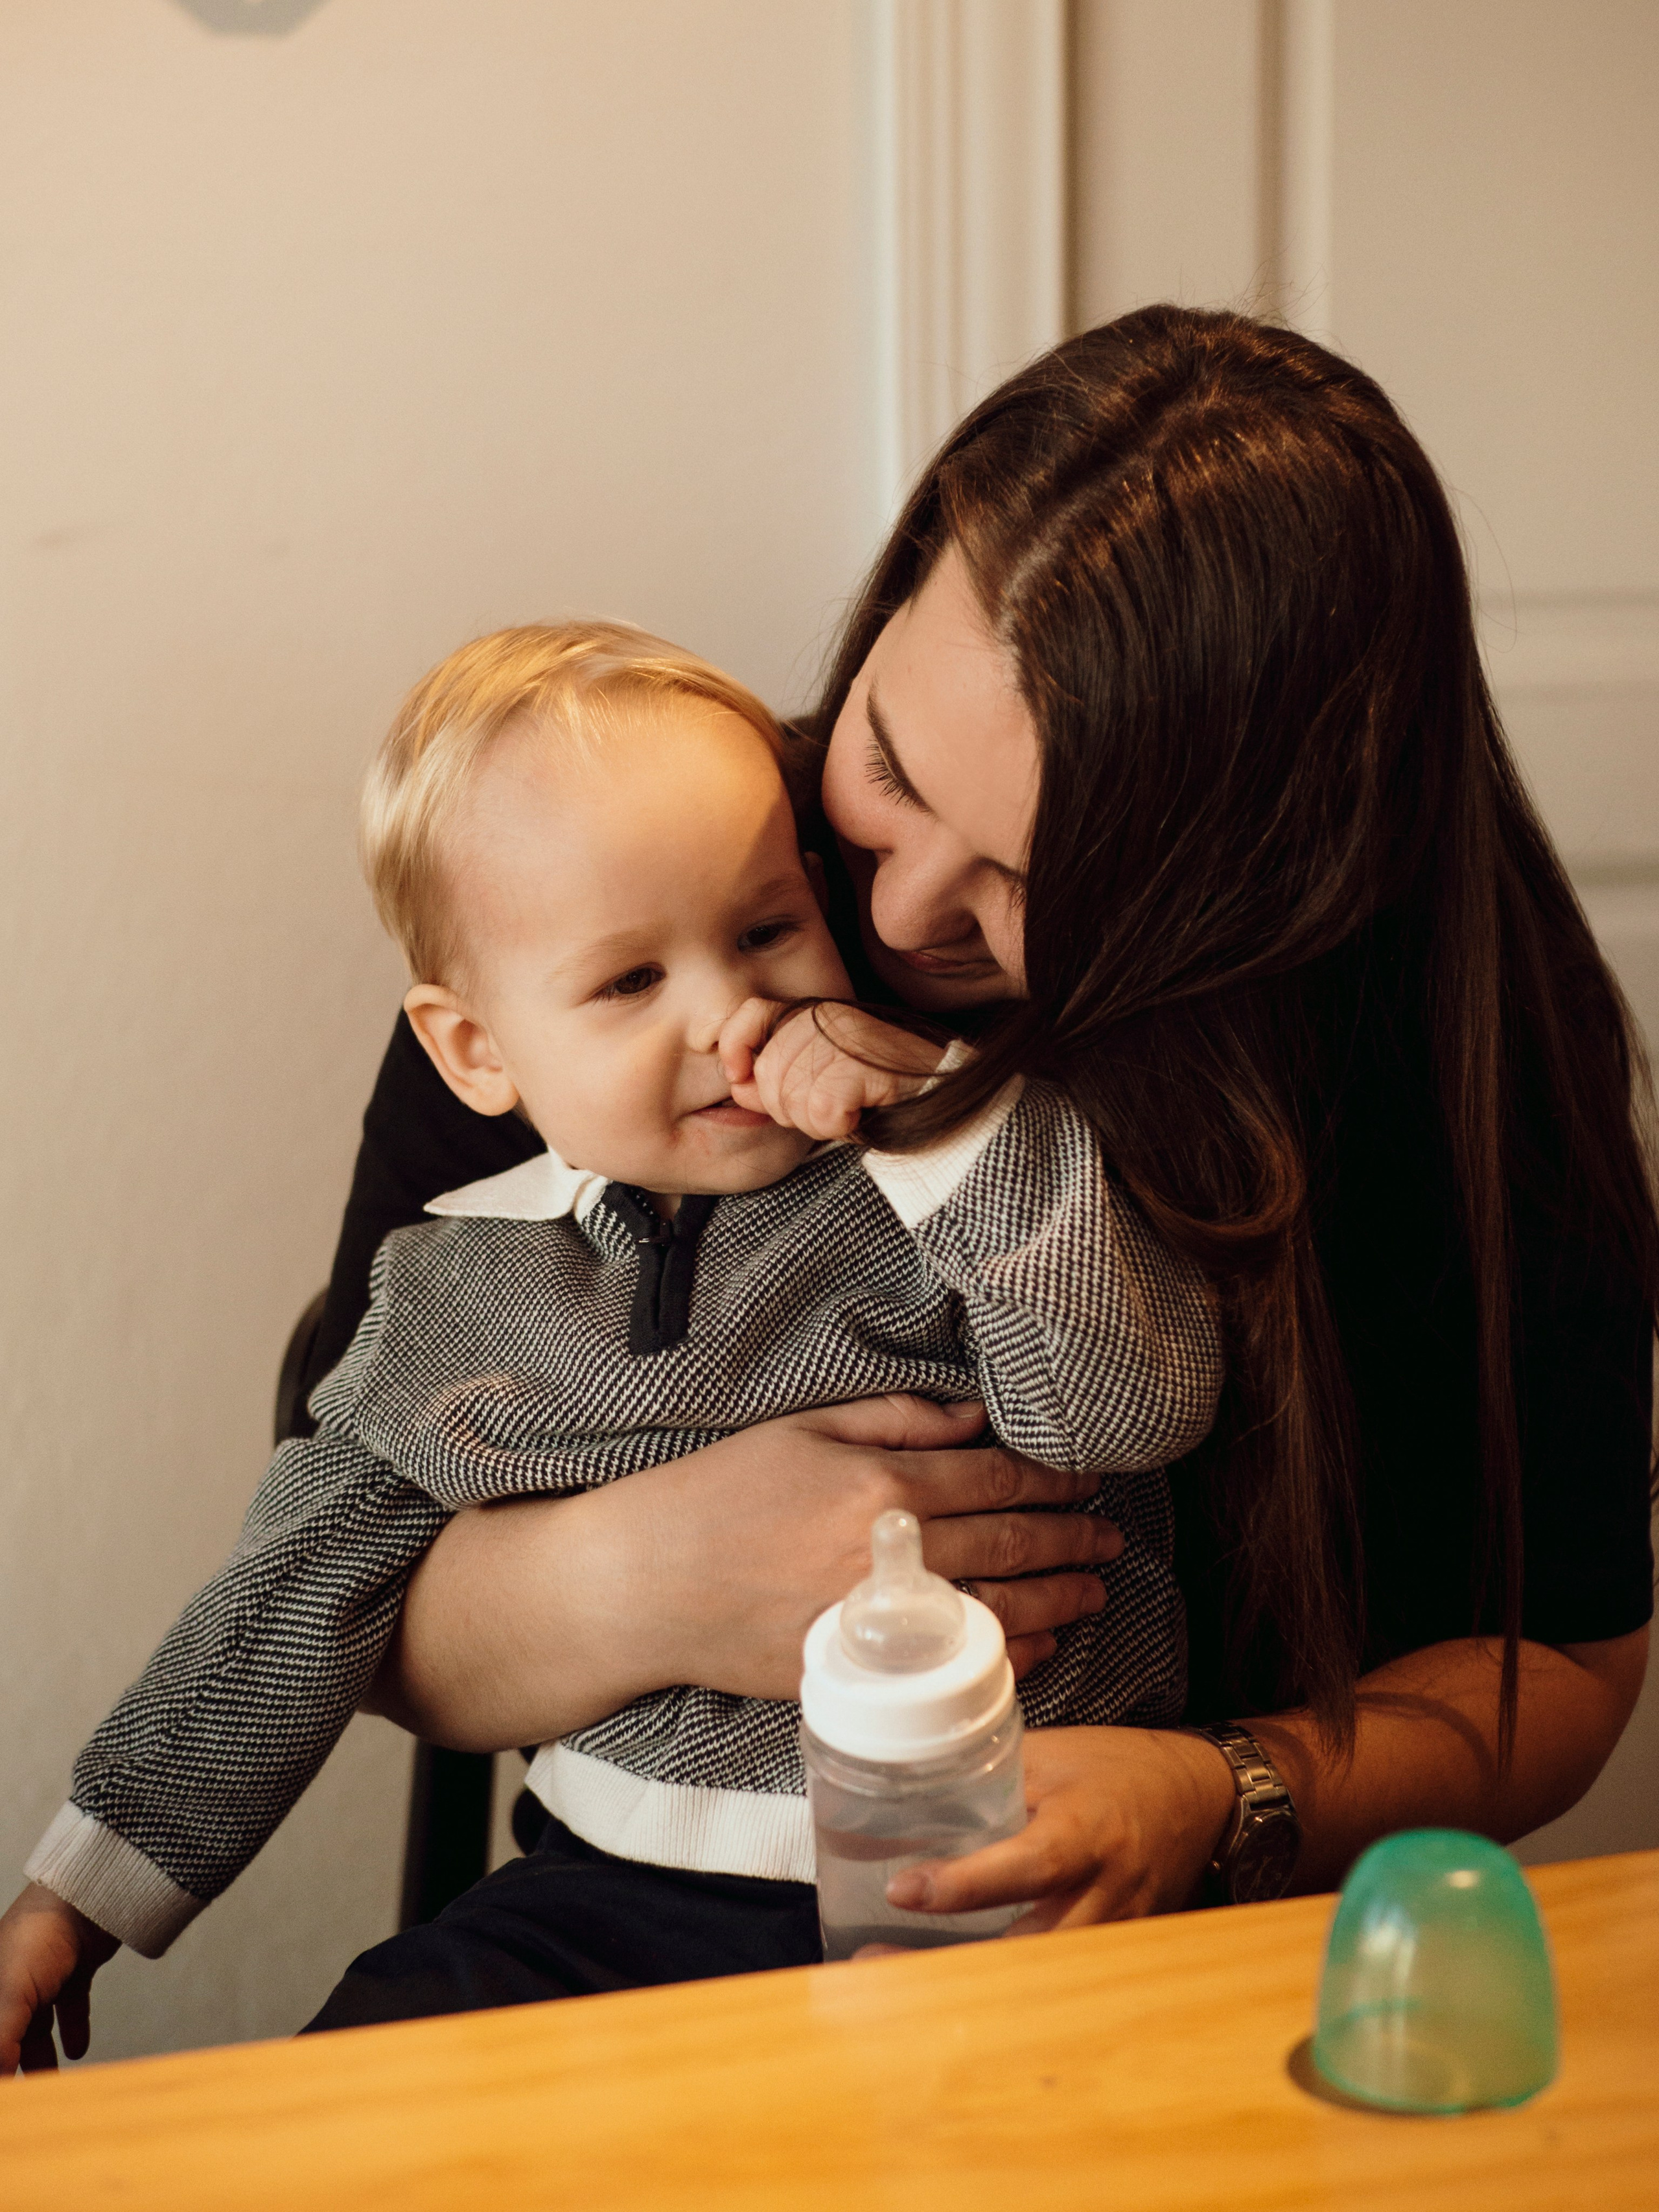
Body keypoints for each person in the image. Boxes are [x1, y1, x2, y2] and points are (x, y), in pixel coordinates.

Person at [338, 306, 1652, 1949]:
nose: (893, 908)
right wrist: (654, 1573)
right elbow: (338, 1581)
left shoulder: (1448, 1061)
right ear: (889, 599)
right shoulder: (625, 896)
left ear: (1253, 891)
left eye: (1035, 883)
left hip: (1174, 1946)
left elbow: (1566, 1665)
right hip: (632, 1918)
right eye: (887, 762)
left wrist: (1220, 1790)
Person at [0, 622, 1218, 2068]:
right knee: (345, 2090)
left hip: (1001, 1878)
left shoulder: (958, 1174)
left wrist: (951, 1128)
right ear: (477, 1054)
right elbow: (288, 1594)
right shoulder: (457, 1282)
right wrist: (74, 1897)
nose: (729, 1012)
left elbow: (1132, 1407)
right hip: (606, 1901)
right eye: (629, 983)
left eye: (765, 930)